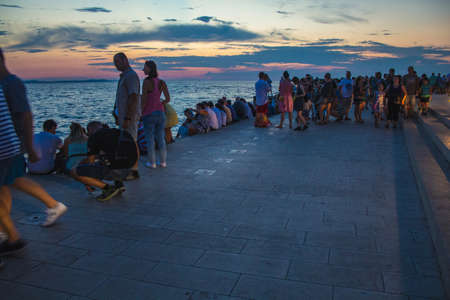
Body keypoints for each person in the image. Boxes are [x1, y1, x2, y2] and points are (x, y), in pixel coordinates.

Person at [0, 48, 67, 261]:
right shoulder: (7, 84)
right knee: (10, 184)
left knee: (15, 181)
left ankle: (12, 234)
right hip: (10, 144)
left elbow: (27, 115)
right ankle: (8, 232)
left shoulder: (11, 83)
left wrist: (29, 147)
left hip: (10, 144)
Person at [71, 121, 137, 201]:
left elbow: (90, 161)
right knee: (112, 157)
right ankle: (119, 184)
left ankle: (108, 188)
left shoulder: (94, 137)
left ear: (90, 130)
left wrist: (87, 181)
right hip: (130, 169)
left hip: (116, 170)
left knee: (75, 171)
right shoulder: (121, 132)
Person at [113, 52, 140, 179]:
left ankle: (134, 170)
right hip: (122, 115)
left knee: (132, 141)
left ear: (125, 60)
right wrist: (115, 111)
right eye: (115, 62)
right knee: (127, 142)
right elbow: (121, 97)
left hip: (129, 116)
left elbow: (133, 97)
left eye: (117, 62)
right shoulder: (123, 76)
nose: (116, 65)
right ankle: (128, 168)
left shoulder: (131, 76)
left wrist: (128, 117)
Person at [141, 60, 170, 169]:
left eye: (145, 67)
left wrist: (140, 111)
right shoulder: (161, 82)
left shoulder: (146, 82)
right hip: (160, 112)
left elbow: (144, 100)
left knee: (150, 139)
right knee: (160, 138)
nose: (143, 69)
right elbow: (168, 99)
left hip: (149, 113)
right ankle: (163, 162)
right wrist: (160, 102)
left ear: (150, 69)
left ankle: (152, 163)